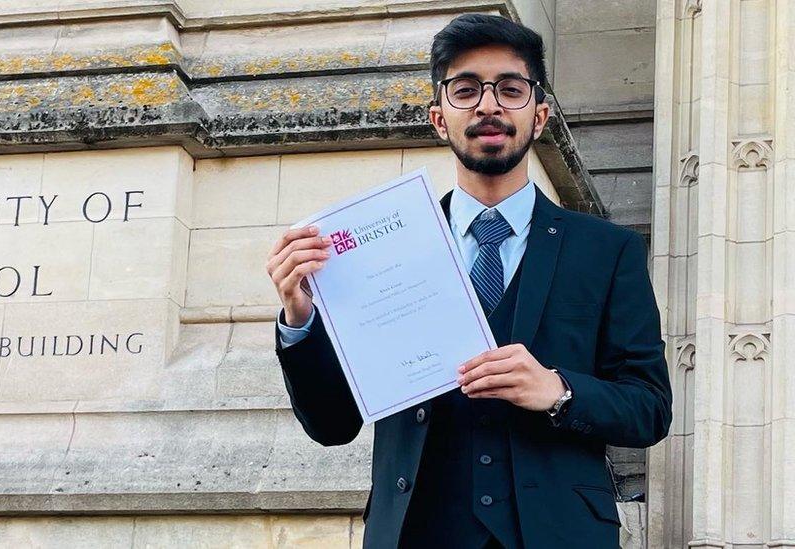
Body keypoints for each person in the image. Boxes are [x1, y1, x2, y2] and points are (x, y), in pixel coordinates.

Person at [264, 13, 672, 549]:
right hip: (417, 533)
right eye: (465, 90)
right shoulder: (381, 250)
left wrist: (558, 390)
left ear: (539, 115)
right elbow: (332, 425)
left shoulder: (607, 250)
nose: (488, 105)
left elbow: (648, 407)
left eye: (510, 89)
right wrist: (300, 319)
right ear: (439, 118)